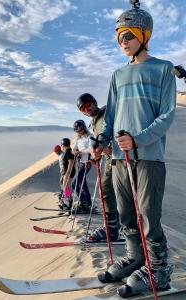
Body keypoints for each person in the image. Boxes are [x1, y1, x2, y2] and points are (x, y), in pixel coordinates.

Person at [91, 0, 176, 296]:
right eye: (118, 37)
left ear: (145, 34)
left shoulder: (163, 69)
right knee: (127, 213)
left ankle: (160, 268)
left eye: (128, 35)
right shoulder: (117, 75)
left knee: (149, 214)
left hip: (149, 156)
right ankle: (136, 258)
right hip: (117, 157)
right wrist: (102, 142)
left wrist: (138, 139)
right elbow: (111, 116)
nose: (122, 42)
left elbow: (167, 115)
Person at [77, 93, 120, 242]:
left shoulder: (107, 113)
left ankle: (111, 229)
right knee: (77, 185)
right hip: (100, 160)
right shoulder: (91, 125)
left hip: (117, 157)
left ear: (94, 102)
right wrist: (93, 157)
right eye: (83, 108)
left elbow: (117, 131)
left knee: (106, 189)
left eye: (88, 105)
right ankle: (115, 227)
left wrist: (108, 147)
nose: (86, 109)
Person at [71, 120, 93, 214]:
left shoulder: (90, 136)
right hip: (80, 162)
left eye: (79, 129)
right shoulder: (78, 138)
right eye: (76, 130)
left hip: (86, 162)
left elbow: (91, 149)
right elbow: (73, 149)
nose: (78, 131)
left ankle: (83, 202)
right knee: (83, 184)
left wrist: (82, 152)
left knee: (74, 183)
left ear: (83, 127)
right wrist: (75, 152)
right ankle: (87, 204)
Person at [58, 138, 75, 210]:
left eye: (61, 145)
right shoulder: (68, 150)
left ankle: (68, 204)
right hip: (68, 172)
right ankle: (67, 202)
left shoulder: (68, 151)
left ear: (63, 145)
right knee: (65, 187)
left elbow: (71, 162)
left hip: (69, 172)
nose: (61, 146)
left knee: (66, 187)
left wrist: (67, 173)